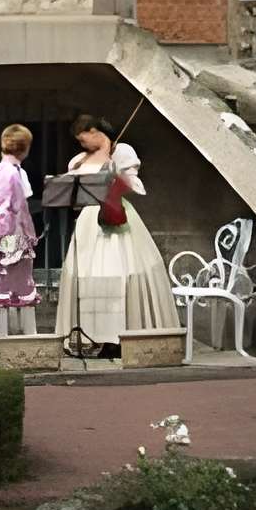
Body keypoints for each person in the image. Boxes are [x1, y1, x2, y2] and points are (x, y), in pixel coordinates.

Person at [54, 112, 173, 354]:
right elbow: (75, 197)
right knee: (89, 278)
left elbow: (134, 186)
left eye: (83, 139)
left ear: (95, 133)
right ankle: (91, 336)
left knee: (118, 273)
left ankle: (118, 337)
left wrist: (110, 160)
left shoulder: (123, 152)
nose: (82, 145)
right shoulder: (78, 160)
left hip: (115, 215)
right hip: (89, 220)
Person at [0, 122, 40, 336]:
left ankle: (14, 335)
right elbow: (12, 210)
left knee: (10, 283)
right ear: (25, 148)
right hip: (11, 233)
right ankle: (17, 337)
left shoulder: (7, 169)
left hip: (6, 232)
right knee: (16, 283)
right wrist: (17, 240)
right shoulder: (12, 173)